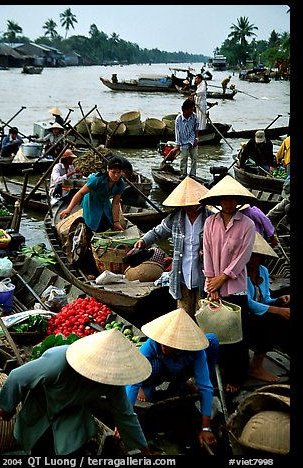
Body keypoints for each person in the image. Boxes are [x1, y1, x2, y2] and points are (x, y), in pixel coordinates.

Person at [0, 328, 152, 456]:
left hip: (72, 415)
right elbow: (17, 377)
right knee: (41, 447)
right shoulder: (59, 361)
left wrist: (144, 449)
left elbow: (125, 415)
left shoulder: (112, 380)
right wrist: (6, 407)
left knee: (72, 450)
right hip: (43, 407)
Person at [125, 308, 218, 448]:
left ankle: (182, 384)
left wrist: (206, 428)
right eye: (163, 342)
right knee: (151, 370)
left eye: (170, 344)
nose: (164, 346)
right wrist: (125, 422)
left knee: (212, 340)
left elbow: (206, 387)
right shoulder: (153, 343)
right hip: (159, 370)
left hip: (181, 369)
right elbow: (134, 376)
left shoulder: (195, 351)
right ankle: (145, 387)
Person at [199, 175, 257, 393]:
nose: (229, 203)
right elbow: (208, 254)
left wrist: (222, 278)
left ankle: (236, 376)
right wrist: (211, 284)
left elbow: (243, 257)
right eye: (225, 199)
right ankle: (217, 372)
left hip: (235, 286)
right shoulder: (210, 222)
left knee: (236, 335)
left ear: (238, 200)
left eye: (233, 199)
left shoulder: (247, 224)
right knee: (215, 332)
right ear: (219, 200)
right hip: (214, 285)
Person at [133, 176, 212, 319]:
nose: (189, 206)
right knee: (182, 316)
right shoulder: (175, 218)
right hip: (181, 276)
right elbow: (158, 232)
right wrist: (144, 241)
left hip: (204, 275)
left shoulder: (211, 219)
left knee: (202, 316)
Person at [246, 232, 290, 381]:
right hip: (245, 317)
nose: (253, 259)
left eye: (256, 255)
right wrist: (277, 310)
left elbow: (265, 298)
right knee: (276, 320)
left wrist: (278, 300)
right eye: (250, 255)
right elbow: (248, 303)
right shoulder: (240, 273)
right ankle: (256, 367)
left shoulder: (263, 271)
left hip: (260, 311)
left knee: (287, 303)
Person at [59, 155, 125, 236]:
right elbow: (80, 193)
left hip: (105, 203)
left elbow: (115, 203)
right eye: (113, 172)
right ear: (108, 170)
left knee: (109, 224)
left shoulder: (120, 183)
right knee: (92, 226)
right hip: (91, 202)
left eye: (119, 172)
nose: (116, 175)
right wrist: (68, 209)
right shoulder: (97, 179)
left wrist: (116, 222)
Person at [171, 99, 199, 178]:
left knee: (194, 158)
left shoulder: (194, 116)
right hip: (183, 141)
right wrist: (178, 145)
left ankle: (193, 174)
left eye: (192, 109)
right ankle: (183, 174)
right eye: (190, 110)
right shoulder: (178, 119)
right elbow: (177, 133)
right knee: (184, 158)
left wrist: (196, 138)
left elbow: (196, 127)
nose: (192, 111)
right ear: (185, 110)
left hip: (192, 138)